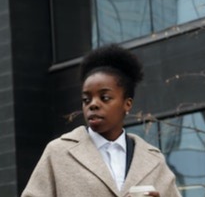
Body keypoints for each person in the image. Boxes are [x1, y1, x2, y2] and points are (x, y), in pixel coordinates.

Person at [22, 45, 179, 197]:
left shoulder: (153, 160)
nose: (93, 104)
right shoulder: (59, 153)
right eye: (86, 99)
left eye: (105, 98)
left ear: (127, 103)